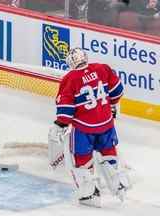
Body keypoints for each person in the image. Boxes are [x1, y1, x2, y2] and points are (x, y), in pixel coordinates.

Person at [48, 48, 130, 207]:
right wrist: (111, 105)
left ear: (70, 63)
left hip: (84, 128)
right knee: (108, 152)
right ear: (85, 57)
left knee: (81, 158)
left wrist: (60, 124)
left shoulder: (70, 78)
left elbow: (65, 108)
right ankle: (118, 183)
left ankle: (90, 194)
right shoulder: (102, 68)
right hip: (106, 123)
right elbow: (118, 91)